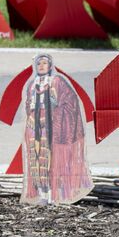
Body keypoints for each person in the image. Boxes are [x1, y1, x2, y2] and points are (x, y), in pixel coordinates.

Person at [21, 53, 92, 204]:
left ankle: (56, 194)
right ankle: (42, 194)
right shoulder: (32, 84)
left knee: (54, 160)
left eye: (45, 63)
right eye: (38, 63)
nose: (41, 66)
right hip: (35, 128)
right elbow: (28, 105)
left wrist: (56, 112)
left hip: (52, 128)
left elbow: (70, 101)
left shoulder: (57, 81)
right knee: (37, 160)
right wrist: (32, 117)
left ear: (51, 66)